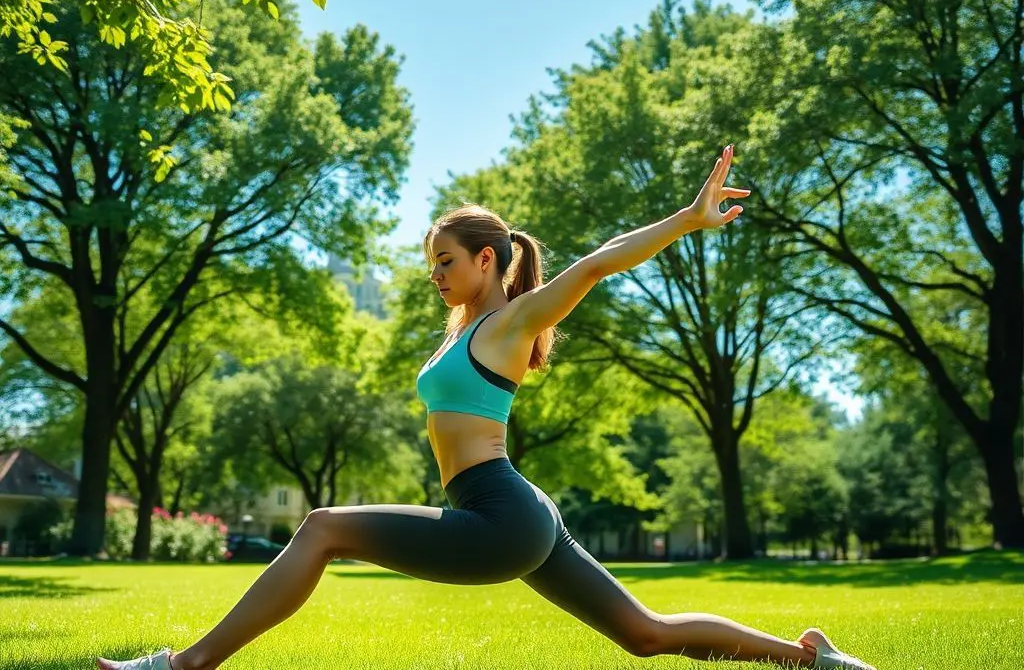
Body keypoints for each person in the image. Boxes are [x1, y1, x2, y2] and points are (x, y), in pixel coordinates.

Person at [97, 145, 875, 670]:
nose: (434, 273)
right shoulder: (465, 334)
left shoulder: (510, 322)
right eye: (429, 262)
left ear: (487, 261)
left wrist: (687, 218)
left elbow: (600, 263)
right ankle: (813, 657)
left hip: (500, 513)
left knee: (323, 527)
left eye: (445, 261)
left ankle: (183, 665)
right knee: (646, 635)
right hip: (510, 509)